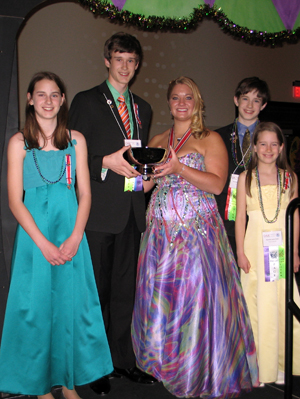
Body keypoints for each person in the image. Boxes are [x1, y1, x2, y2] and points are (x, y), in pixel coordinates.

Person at [131, 76, 259, 398]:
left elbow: (217, 185)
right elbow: (144, 185)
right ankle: (167, 364)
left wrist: (178, 168)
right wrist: (126, 169)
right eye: (176, 97)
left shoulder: (209, 138)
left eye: (188, 97)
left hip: (195, 236)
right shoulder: (159, 137)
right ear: (169, 103)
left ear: (197, 102)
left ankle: (196, 369)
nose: (182, 103)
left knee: (194, 303)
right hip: (160, 236)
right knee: (165, 303)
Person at [0, 72, 113, 399]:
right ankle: (40, 388)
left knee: (69, 310)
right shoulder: (19, 143)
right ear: (30, 99)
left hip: (70, 236)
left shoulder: (76, 140)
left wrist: (76, 236)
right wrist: (43, 243)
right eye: (41, 94)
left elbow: (86, 194)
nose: (48, 101)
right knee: (36, 311)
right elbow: (14, 200)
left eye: (54, 95)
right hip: (35, 241)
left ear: (63, 99)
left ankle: (67, 383)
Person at [68, 32, 155, 394]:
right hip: (98, 212)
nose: (125, 66)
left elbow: (139, 157)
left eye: (131, 61)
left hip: (132, 211)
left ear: (137, 66)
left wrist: (150, 176)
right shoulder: (86, 101)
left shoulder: (143, 108)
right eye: (119, 58)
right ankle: (94, 366)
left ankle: (123, 360)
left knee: (125, 293)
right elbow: (69, 158)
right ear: (107, 60)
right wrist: (104, 161)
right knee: (97, 293)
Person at [235, 121, 300, 385]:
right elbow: (240, 217)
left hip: (281, 249)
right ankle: (257, 367)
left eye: (274, 144)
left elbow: (295, 216)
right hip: (253, 248)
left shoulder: (290, 178)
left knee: (281, 304)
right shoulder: (245, 178)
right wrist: (240, 251)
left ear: (282, 147)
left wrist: (295, 250)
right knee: (255, 305)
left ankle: (281, 364)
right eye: (263, 143)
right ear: (255, 147)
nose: (268, 149)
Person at [215, 77, 270, 258]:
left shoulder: (272, 139)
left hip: (262, 216)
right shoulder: (217, 137)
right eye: (245, 98)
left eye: (256, 100)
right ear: (236, 100)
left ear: (263, 105)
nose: (250, 105)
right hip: (226, 218)